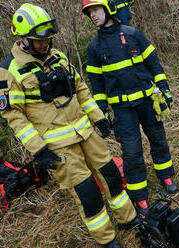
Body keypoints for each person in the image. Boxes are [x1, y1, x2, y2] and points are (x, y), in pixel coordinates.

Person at [0, 3, 138, 248]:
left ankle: (128, 220)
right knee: (88, 194)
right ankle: (107, 239)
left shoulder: (59, 57)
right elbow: (15, 116)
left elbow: (81, 90)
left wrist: (98, 118)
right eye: (38, 40)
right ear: (22, 38)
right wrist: (39, 149)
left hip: (85, 132)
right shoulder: (8, 71)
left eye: (48, 39)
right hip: (57, 147)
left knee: (112, 176)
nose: (45, 44)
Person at [81, 0, 179, 216]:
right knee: (132, 153)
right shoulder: (94, 47)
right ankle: (140, 197)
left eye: (96, 10)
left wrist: (165, 90)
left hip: (147, 101)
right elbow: (97, 85)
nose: (93, 16)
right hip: (122, 109)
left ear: (108, 9)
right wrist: (102, 111)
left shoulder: (133, 34)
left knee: (158, 138)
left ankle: (166, 176)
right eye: (90, 13)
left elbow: (154, 65)